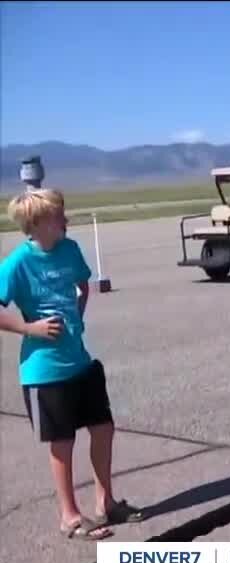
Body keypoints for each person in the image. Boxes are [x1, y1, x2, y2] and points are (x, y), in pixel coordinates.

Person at [1, 189, 145, 541]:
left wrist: (77, 317)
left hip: (78, 360)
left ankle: (106, 502)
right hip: (43, 369)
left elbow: (83, 284)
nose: (65, 219)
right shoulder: (17, 263)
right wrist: (29, 327)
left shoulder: (70, 250)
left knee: (103, 427)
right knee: (62, 442)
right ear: (38, 224)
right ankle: (69, 516)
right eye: (58, 215)